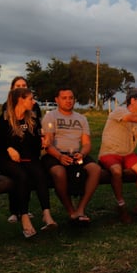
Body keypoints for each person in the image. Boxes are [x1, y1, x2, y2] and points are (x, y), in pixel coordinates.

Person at [0, 87, 58, 238]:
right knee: (22, 176)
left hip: (29, 158)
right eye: (30, 99)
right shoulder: (3, 120)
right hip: (8, 161)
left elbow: (37, 142)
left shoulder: (33, 119)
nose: (33, 101)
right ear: (20, 100)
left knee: (40, 174)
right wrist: (9, 148)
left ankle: (46, 214)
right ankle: (24, 217)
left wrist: (44, 141)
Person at [42, 87, 102, 224]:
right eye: (64, 98)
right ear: (57, 100)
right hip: (55, 154)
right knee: (59, 172)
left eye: (71, 98)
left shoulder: (81, 118)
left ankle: (80, 209)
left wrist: (81, 154)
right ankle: (71, 211)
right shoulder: (50, 116)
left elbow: (87, 143)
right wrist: (59, 157)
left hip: (76, 153)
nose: (68, 101)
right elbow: (48, 143)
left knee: (96, 169)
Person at [98, 92, 137, 222]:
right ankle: (121, 205)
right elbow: (132, 118)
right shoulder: (120, 111)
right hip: (110, 152)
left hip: (127, 155)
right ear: (132, 100)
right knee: (116, 171)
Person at [5, 76, 42, 223]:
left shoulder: (34, 107)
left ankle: (25, 209)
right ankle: (15, 210)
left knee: (30, 174)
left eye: (24, 85)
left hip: (28, 151)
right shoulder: (6, 108)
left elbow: (37, 126)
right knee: (16, 175)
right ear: (12, 89)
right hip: (12, 154)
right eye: (18, 85)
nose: (21, 87)